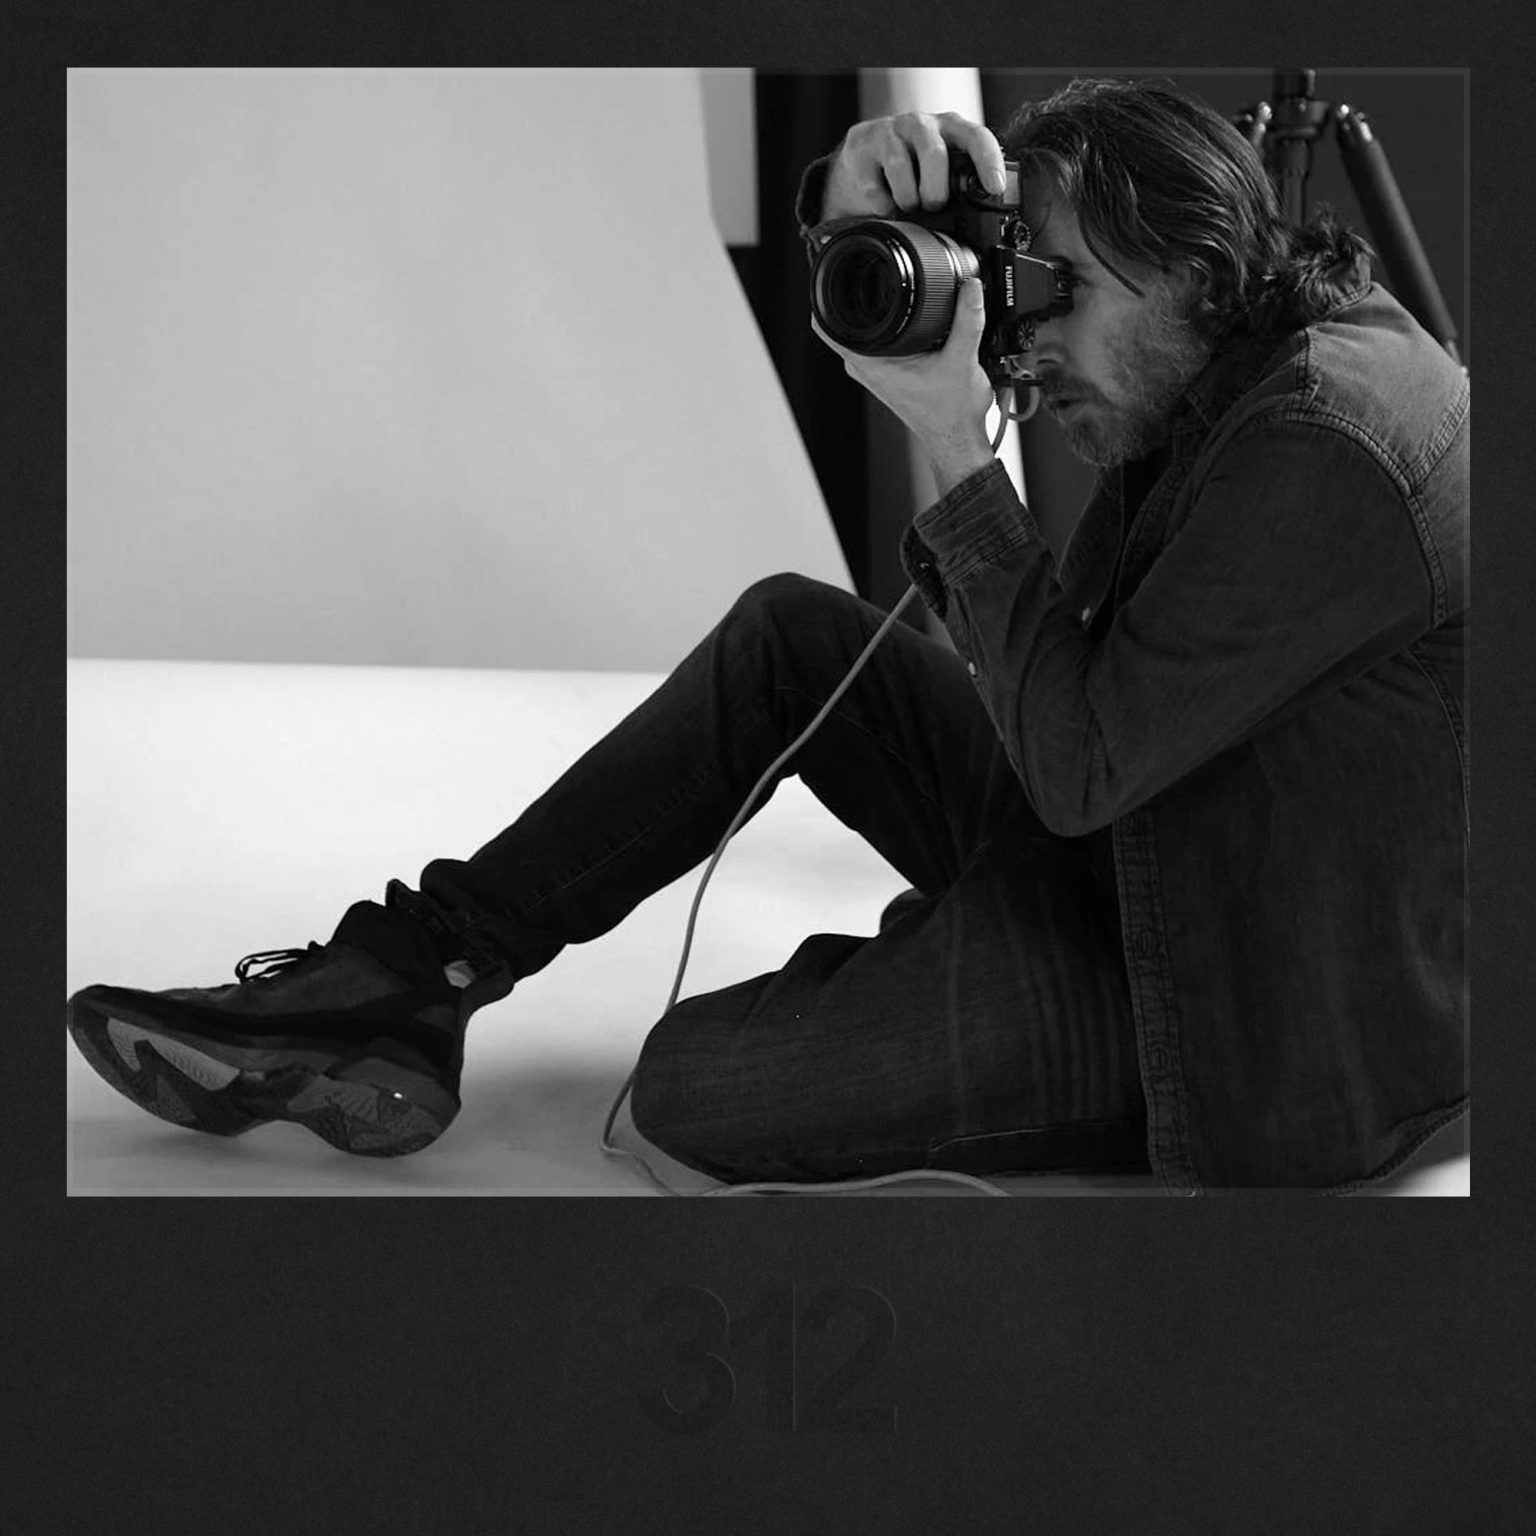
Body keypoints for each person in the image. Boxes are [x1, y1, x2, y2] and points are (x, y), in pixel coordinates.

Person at [67, 78, 1468, 1191]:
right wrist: (871, 228)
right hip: (1165, 851)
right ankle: (399, 981)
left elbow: (1082, 761)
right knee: (796, 633)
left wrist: (950, 448)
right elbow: (1092, 718)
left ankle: (942, 976)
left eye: (1059, 295)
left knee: (691, 1088)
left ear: (1198, 268)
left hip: (1240, 1010)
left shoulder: (1329, 441)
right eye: (1016, 289)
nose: (1025, 346)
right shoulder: (1246, 355)